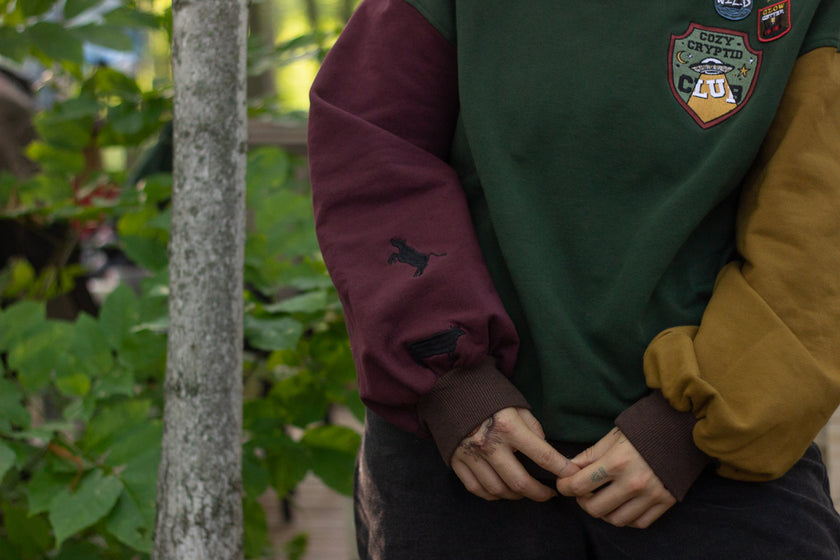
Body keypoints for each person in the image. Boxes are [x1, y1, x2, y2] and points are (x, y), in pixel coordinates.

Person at [307, 1, 840, 558]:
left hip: (709, 454)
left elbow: (818, 233)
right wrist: (451, 380)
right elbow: (371, 142)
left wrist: (693, 422)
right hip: (462, 446)